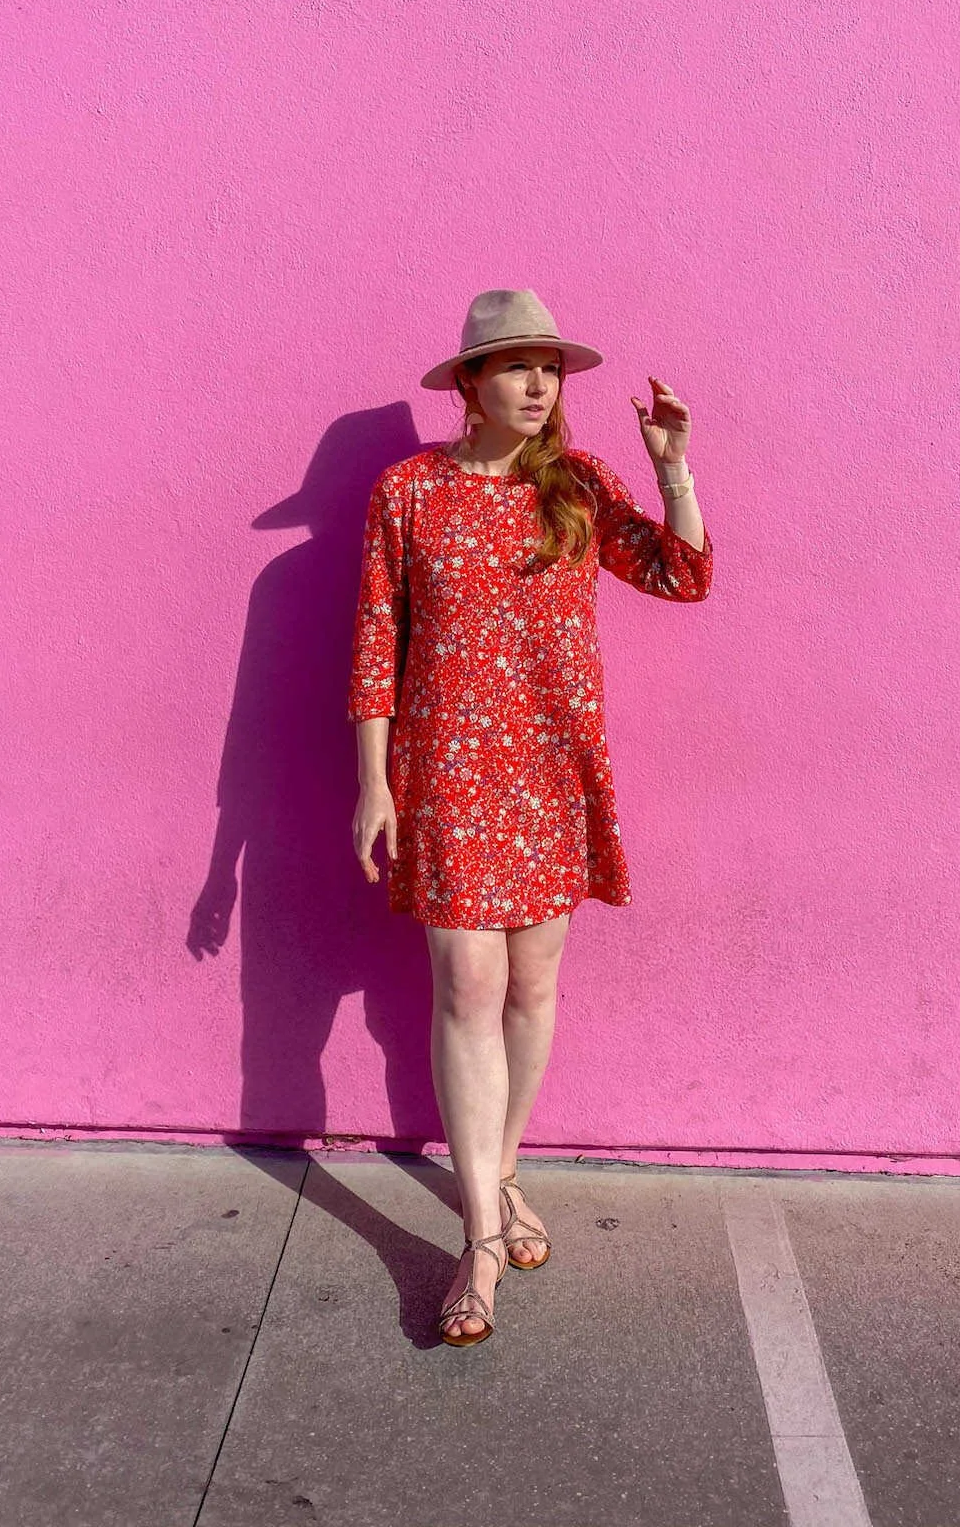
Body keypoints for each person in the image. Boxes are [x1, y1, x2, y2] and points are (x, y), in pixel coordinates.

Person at [347, 288, 712, 1346]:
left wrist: (672, 464)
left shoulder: (577, 485)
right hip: (447, 767)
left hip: (551, 766)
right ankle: (478, 1237)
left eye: (549, 364)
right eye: (514, 364)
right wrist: (375, 783)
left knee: (535, 981)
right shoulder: (407, 491)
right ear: (468, 383)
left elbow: (680, 573)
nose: (539, 381)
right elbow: (377, 643)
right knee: (467, 981)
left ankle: (501, 1172)